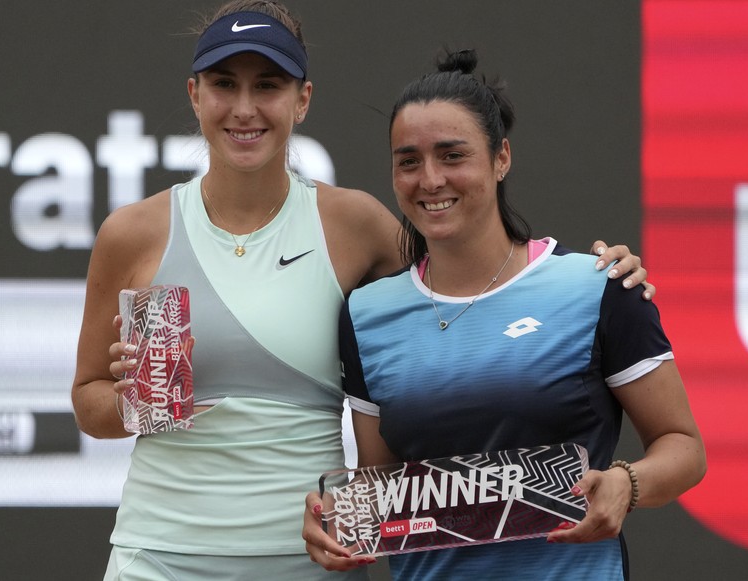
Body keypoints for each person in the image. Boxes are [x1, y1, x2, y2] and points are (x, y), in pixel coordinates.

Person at [70, 2, 653, 579]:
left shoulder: (356, 224)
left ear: (302, 100)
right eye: (224, 84)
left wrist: (594, 278)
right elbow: (89, 404)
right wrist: (134, 400)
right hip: (159, 557)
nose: (244, 108)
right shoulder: (133, 233)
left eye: (268, 86)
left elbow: (470, 280)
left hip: (310, 559)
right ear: (195, 95)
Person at [302, 49, 706, 580]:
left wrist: (626, 485)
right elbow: (384, 486)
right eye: (408, 161)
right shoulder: (366, 314)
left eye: (452, 156)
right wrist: (336, 521)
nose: (430, 180)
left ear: (501, 158)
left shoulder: (597, 286)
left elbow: (684, 448)